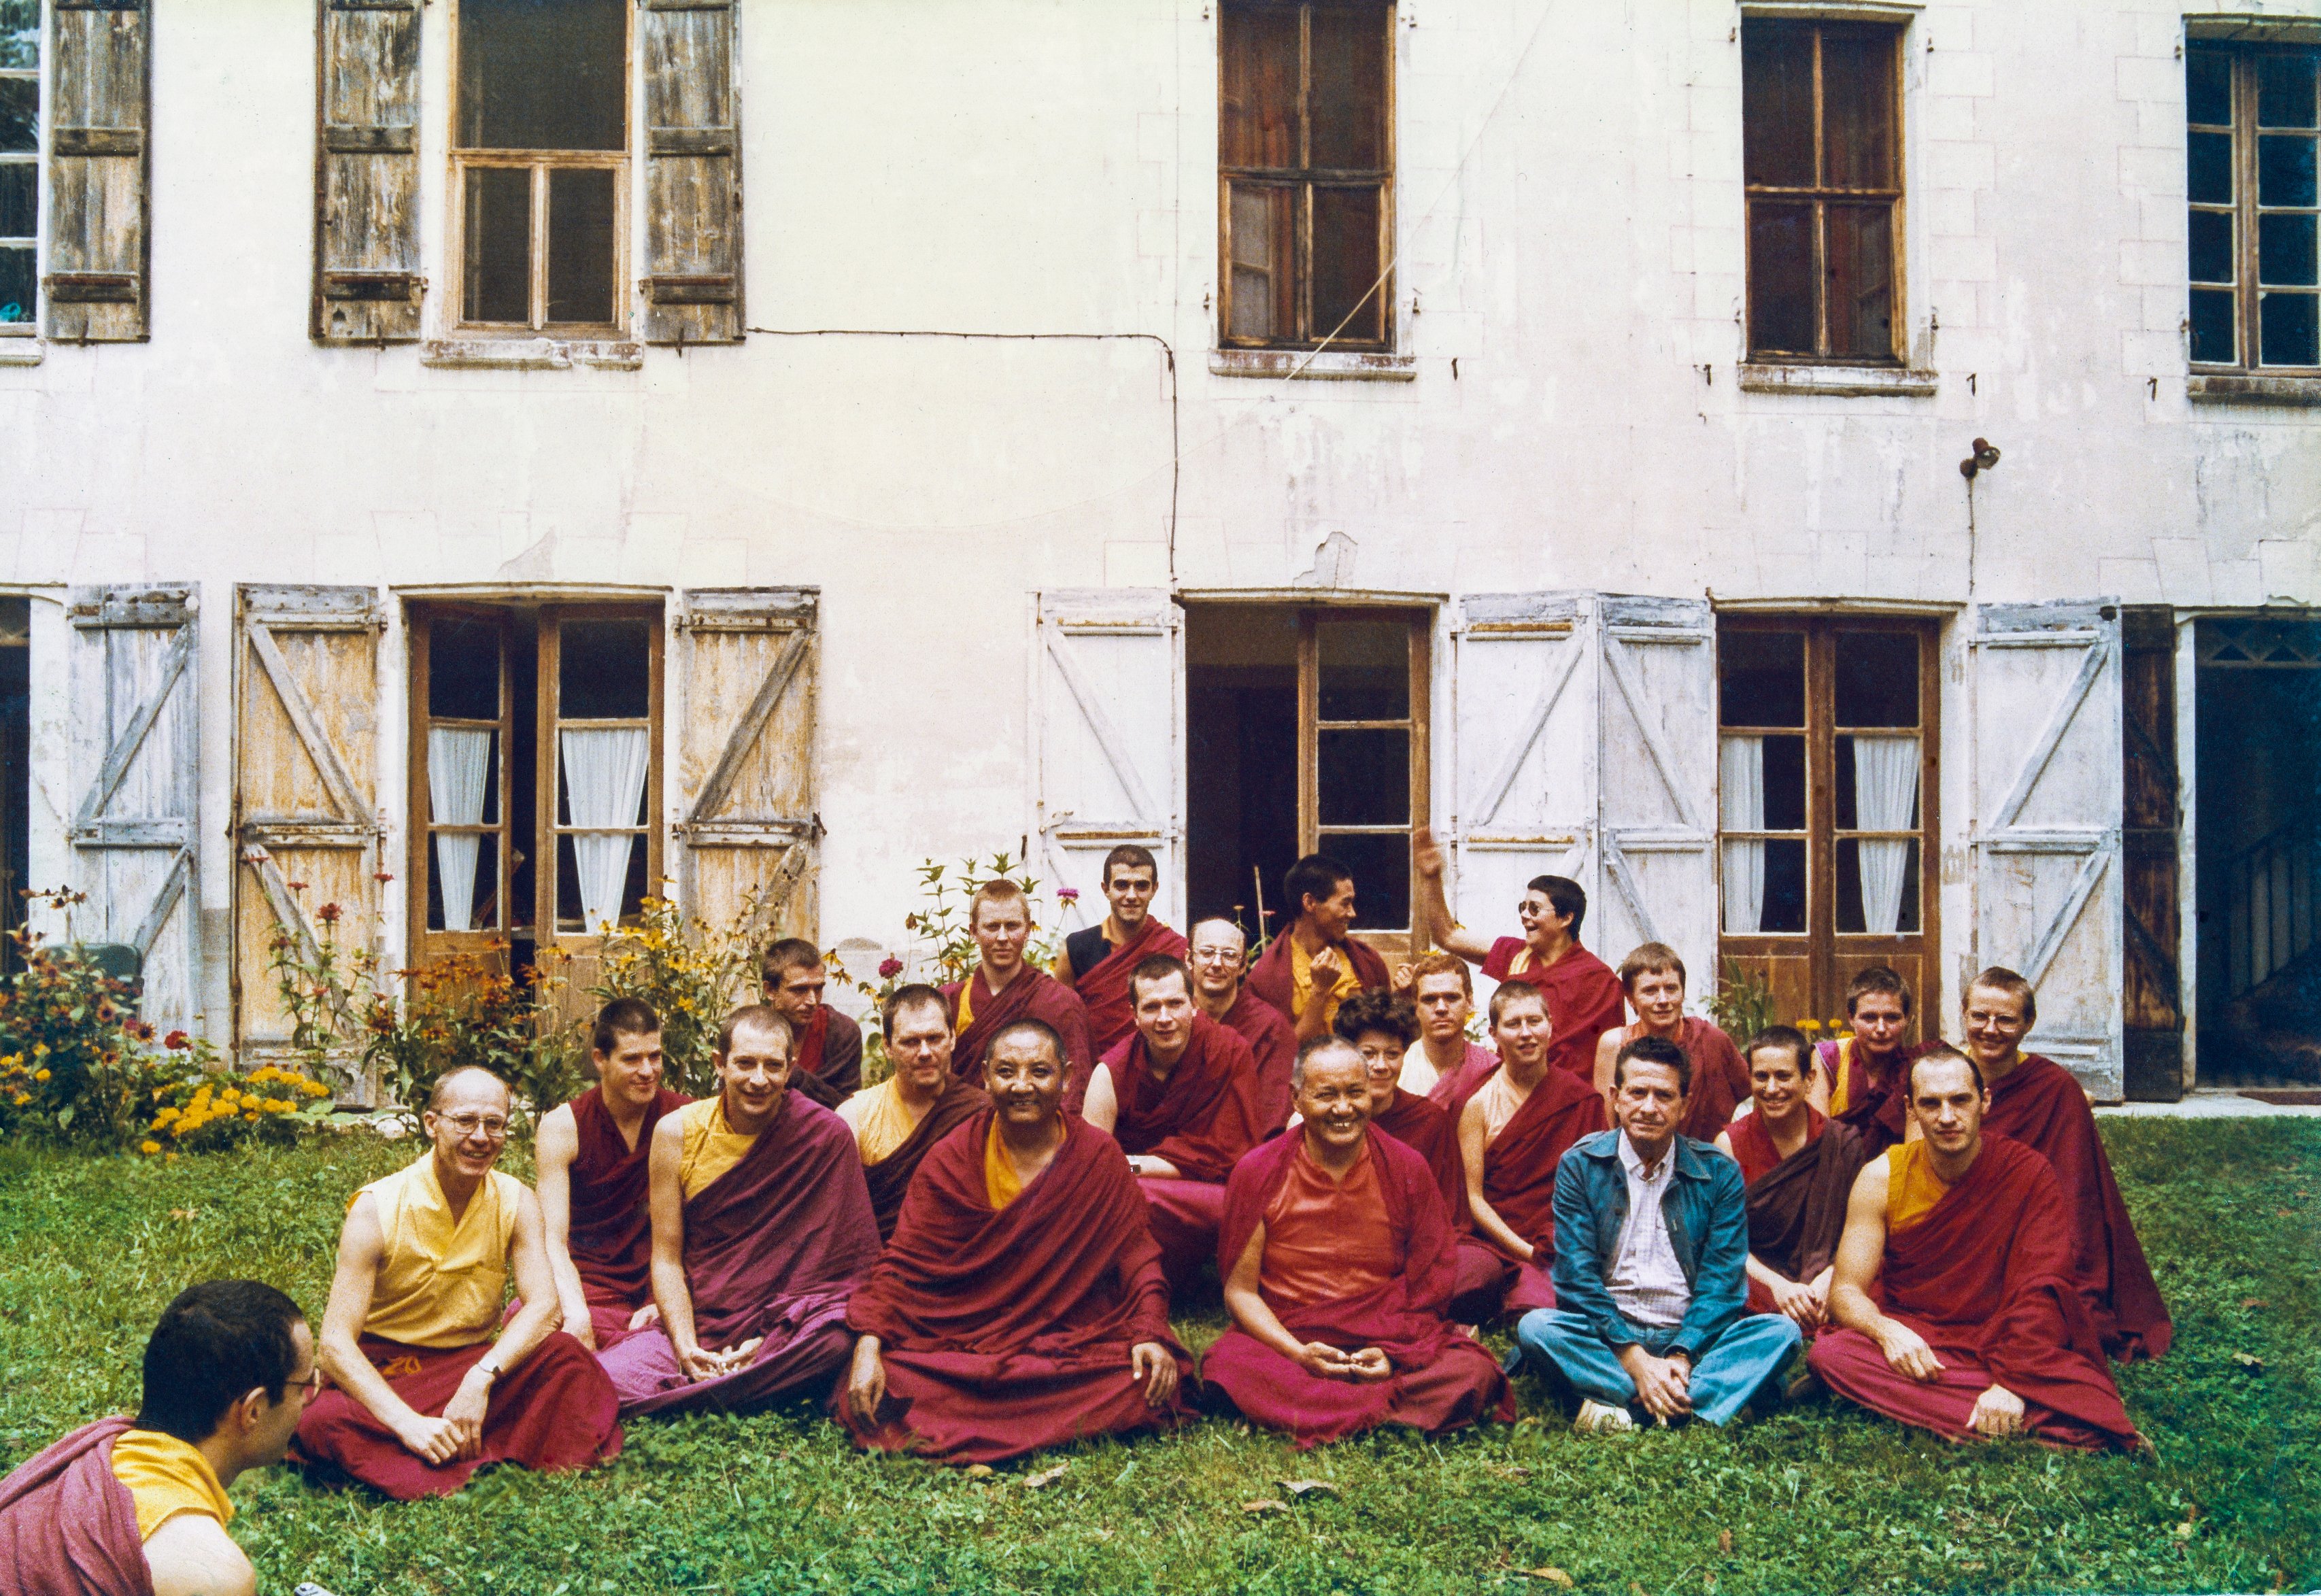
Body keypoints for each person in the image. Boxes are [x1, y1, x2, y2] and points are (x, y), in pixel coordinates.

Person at [838, 1019, 1190, 1463]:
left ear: (1065, 1077)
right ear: (984, 1077)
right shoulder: (953, 1156)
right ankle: (1046, 1418)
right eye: (1006, 1071)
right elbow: (904, 1262)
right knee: (900, 1377)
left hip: (1066, 1335)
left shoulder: (1097, 1156)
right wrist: (869, 1344)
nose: (1022, 1085)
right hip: (966, 1333)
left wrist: (1149, 1331)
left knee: (1140, 1374)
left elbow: (1137, 1257)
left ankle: (974, 1417)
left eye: (1039, 1072)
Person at [295, 1067, 621, 1499]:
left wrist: (481, 1378)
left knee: (565, 1357)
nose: (481, 1137)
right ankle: (465, 1445)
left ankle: (440, 1450)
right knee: (319, 1419)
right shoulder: (377, 1208)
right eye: (465, 1121)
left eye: (495, 1124)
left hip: (468, 1365)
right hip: (393, 1370)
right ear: (432, 1124)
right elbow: (335, 1346)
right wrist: (407, 1423)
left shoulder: (517, 1201)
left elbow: (544, 1307)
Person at [1808, 1048, 2142, 1450]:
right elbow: (1845, 1292)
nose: (1947, 1117)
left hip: (2002, 1337)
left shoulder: (2028, 1173)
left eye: (1960, 1100)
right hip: (1920, 1333)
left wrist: (2011, 1382)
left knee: (2059, 1371)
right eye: (1931, 1104)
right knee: (1832, 1354)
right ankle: (2037, 1416)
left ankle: (1994, 1405)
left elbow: (2043, 1290)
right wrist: (1888, 1332)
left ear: (1984, 1101)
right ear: (1911, 1110)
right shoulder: (1881, 1177)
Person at [1204, 1038, 1516, 1447]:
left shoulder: (1406, 1166)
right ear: (1297, 1099)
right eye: (1327, 1095)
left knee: (1470, 1371)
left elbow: (1429, 1287)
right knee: (1230, 1363)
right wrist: (1298, 1353)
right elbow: (1241, 1292)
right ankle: (1387, 1414)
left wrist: (1391, 1356)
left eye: (1355, 1092)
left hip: (1386, 1332)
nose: (1344, 1109)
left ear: (1372, 1093)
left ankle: (1293, 1413)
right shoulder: (1258, 1172)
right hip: (1291, 1333)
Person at [596, 1006, 882, 1415]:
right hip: (704, 1317)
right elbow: (666, 1259)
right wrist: (686, 1344)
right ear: (720, 1064)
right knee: (602, 1381)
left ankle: (713, 1382)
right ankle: (736, 1379)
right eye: (745, 1064)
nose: (759, 1080)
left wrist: (772, 1338)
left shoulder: (826, 1135)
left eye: (773, 1066)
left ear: (791, 1070)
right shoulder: (677, 1133)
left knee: (835, 1339)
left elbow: (849, 1272)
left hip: (787, 1327)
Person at [1511, 1036, 1802, 1433]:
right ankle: (1695, 1402)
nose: (1649, 1108)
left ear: (1684, 1104)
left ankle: (1627, 1406)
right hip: (1609, 1337)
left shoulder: (1718, 1173)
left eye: (1664, 1096)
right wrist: (1635, 1359)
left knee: (1781, 1333)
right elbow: (1577, 1278)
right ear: (1615, 1097)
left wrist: (1682, 1354)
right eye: (1637, 1093)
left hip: (1692, 1336)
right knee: (1537, 1328)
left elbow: (1723, 1280)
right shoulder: (1581, 1165)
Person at [0, 1280, 317, 1596]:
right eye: (304, 1384)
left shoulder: (109, 1455)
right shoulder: (213, 1577)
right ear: (253, 1411)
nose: (309, 1398)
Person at [1956, 968, 2173, 1361]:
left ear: (2028, 1024)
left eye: (2005, 1019)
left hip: (2026, 1229)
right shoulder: (1940, 1077)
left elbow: (2076, 1194)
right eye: (1980, 1016)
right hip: (1956, 1224)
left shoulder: (2055, 1089)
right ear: (1964, 1014)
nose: (1990, 1029)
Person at [1083, 955, 1268, 1295]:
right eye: (1152, 1007)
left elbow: (1233, 1152)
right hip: (1137, 1192)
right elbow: (1090, 1165)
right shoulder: (1110, 1072)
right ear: (1134, 1015)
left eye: (1175, 1004)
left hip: (1213, 1192)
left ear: (1195, 1005)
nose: (1165, 1018)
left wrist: (1133, 1165)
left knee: (1137, 1195)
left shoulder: (1229, 1051)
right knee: (1121, 1197)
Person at [533, 998, 690, 1351]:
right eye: (632, 1059)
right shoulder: (563, 1127)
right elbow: (552, 1240)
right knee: (528, 1315)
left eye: (655, 1056)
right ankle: (636, 1355)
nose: (648, 1071)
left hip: (665, 1277)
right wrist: (576, 1313)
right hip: (595, 1286)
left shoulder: (684, 1118)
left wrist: (661, 1299)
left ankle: (623, 1357)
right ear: (600, 1060)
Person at [1412, 827, 1624, 1080]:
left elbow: (1608, 1058)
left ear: (1566, 918)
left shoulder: (1598, 978)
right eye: (1523, 907)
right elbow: (1446, 936)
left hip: (1568, 1095)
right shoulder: (1515, 953)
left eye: (1535, 909)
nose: (1524, 916)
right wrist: (1431, 877)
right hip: (1512, 1084)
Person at [1458, 982, 1609, 1314]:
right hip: (1508, 1242)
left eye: (1534, 1021)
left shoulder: (1581, 1099)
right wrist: (1528, 1253)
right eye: (1513, 1024)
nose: (1526, 1033)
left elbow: (1602, 1188)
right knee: (1531, 1299)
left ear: (1551, 1026)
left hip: (1570, 1237)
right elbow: (1474, 1200)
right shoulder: (1478, 1105)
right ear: (1494, 1034)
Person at [1714, 1026, 1869, 1328]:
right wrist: (1779, 1287)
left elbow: (1857, 1233)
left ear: (1808, 1080)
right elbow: (1727, 1241)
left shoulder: (1841, 1141)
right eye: (1761, 1077)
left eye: (1783, 1076)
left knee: (1866, 1279)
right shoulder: (1729, 1144)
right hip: (1759, 1273)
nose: (1772, 1089)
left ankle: (1815, 1305)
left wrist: (1827, 1281)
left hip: (1828, 1271)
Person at [834, 984, 989, 1240]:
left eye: (935, 1038)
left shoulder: (981, 1114)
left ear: (952, 1038)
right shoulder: (855, 1116)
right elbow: (842, 1218)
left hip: (959, 1263)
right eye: (910, 1042)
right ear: (887, 1046)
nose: (925, 1052)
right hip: (881, 1265)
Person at [942, 879, 1097, 1110]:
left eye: (1012, 926)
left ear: (1028, 929)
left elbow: (1075, 1088)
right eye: (992, 927)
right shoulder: (949, 1001)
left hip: (1041, 1133)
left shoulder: (1061, 1002)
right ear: (974, 931)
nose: (1002, 938)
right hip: (965, 1134)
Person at [1593, 943, 1750, 1144]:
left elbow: (1755, 1092)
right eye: (1650, 991)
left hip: (1700, 1163)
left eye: (1671, 989)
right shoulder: (1614, 1044)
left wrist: (1728, 1143)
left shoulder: (1710, 1039)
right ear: (1631, 999)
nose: (1663, 1000)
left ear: (1682, 993)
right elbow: (1606, 1125)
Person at [1055, 844, 1189, 1058]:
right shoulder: (1075, 950)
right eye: (1122, 885)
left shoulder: (1176, 948)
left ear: (1154, 889)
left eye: (1142, 886)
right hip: (1097, 1073)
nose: (1132, 895)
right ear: (1106, 889)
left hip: (1161, 1069)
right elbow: (1066, 1027)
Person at [1244, 854, 1391, 1042]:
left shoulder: (1366, 961)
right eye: (1345, 903)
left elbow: (1387, 1034)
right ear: (1310, 903)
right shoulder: (1268, 976)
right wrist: (1320, 991)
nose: (1352, 913)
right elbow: (1280, 1055)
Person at [1188, 915, 1298, 1132]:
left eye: (1229, 955)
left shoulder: (1270, 1027)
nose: (1217, 964)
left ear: (1242, 965)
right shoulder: (1173, 1018)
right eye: (1207, 953)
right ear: (1189, 959)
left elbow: (1272, 1114)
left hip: (1243, 1150)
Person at [1818, 966, 1918, 1153]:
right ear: (1851, 1017)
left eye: (1892, 1018)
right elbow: (1818, 1139)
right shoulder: (1830, 1058)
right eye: (1870, 1018)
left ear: (1906, 1019)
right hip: (1837, 1170)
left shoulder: (1915, 1067)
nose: (1881, 1029)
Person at [762, 938, 864, 1110]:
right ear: (770, 990)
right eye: (799, 990)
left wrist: (791, 1074)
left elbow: (848, 1109)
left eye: (818, 989)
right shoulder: (749, 1032)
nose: (812, 1001)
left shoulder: (841, 1031)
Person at [1393, 951, 1500, 1110]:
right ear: (1415, 1006)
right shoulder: (1396, 1069)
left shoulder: (1491, 1070)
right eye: (1429, 999)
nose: (1441, 1008)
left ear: (1469, 1002)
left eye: (1451, 998)